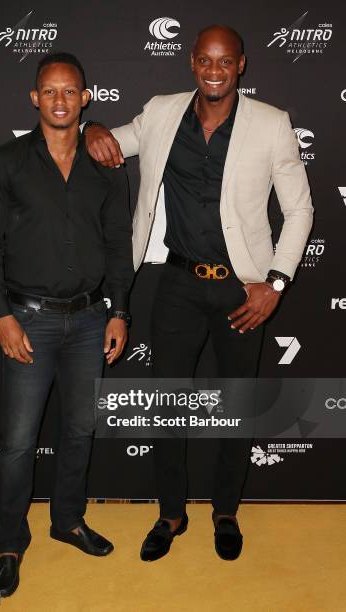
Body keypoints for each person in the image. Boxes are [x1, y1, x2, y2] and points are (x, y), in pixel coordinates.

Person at [84, 25, 313, 561]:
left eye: (225, 61)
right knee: (168, 406)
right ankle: (170, 513)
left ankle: (227, 511)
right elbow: (112, 141)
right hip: (178, 283)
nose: (215, 70)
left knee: (238, 406)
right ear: (192, 63)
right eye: (205, 60)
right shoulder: (163, 112)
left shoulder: (272, 123)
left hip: (243, 288)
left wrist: (275, 282)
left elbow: (300, 210)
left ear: (241, 65)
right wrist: (93, 123)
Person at [0, 52, 133, 596]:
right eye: (50, 91)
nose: (61, 100)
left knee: (80, 431)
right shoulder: (4, 163)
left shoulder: (108, 167)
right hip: (29, 320)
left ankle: (67, 521)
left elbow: (118, 246)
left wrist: (119, 311)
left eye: (71, 91)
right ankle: (9, 544)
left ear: (87, 98)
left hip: (91, 321)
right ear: (34, 98)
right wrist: (2, 315)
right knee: (17, 442)